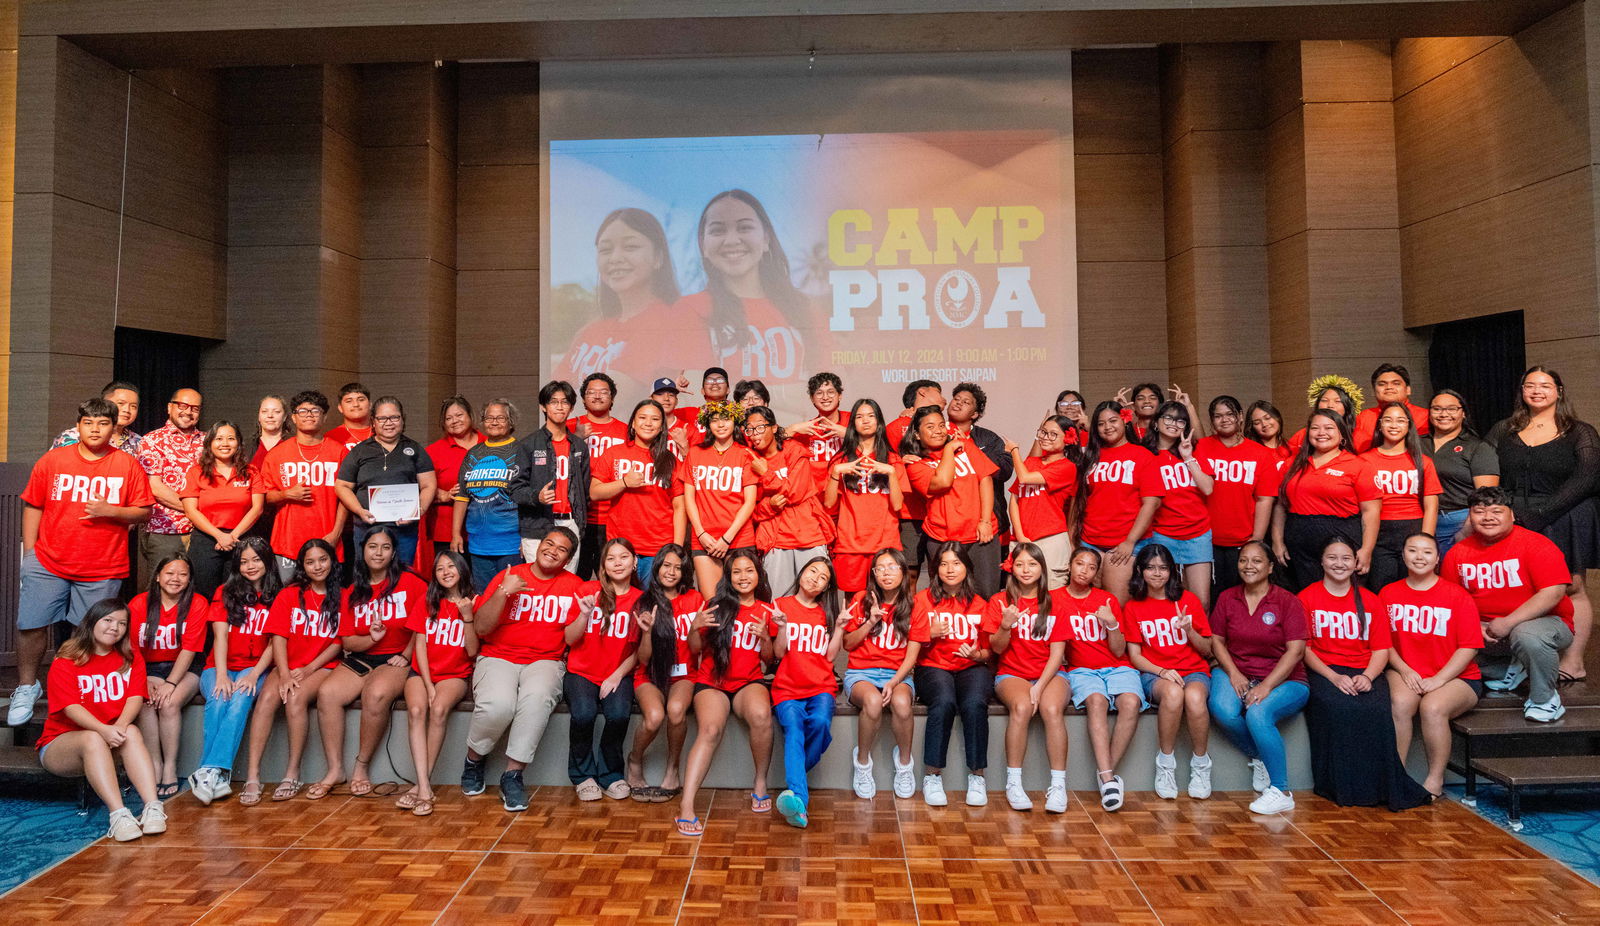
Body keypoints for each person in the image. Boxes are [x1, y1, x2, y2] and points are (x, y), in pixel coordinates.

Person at [11, 397, 154, 726]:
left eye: (103, 423)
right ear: (78, 426)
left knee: (88, 632)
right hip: (48, 560)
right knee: (31, 625)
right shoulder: (53, 461)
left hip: (101, 565)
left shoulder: (126, 465)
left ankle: (77, 694)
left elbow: (144, 511)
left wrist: (112, 512)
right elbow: (33, 504)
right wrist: (31, 553)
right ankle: (26, 687)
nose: (95, 429)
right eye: (88, 422)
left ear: (113, 429)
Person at [1485, 365, 1599, 682]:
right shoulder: (1503, 430)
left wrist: (1542, 513)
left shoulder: (1580, 431)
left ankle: (1574, 661)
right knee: (1522, 588)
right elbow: (1487, 469)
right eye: (1530, 385)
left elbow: (1587, 477)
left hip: (1567, 514)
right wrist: (1506, 511)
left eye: (1545, 385)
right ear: (1522, 391)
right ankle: (1526, 658)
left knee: (1571, 587)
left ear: (1558, 391)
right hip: (1517, 517)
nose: (1537, 390)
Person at [1299, 535, 1431, 810]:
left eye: (1346, 558)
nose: (1339, 563)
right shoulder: (1307, 597)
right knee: (1338, 706)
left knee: (1375, 709)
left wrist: (1368, 677)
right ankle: (1341, 788)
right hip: (1325, 671)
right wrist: (1333, 677)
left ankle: (1379, 788)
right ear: (1322, 562)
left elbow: (1381, 648)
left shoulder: (1370, 600)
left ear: (1356, 562)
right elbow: (1305, 649)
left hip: (1364, 669)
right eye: (1332, 558)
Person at [461, 527, 586, 812]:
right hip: (498, 655)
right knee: (498, 706)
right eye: (549, 543)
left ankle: (513, 774)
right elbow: (480, 628)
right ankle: (474, 759)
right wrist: (504, 592)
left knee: (537, 699)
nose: (552, 551)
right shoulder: (510, 575)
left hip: (545, 659)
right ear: (538, 546)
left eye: (561, 549)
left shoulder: (574, 586)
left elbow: (570, 637)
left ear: (568, 559)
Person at [1442, 486, 1575, 722]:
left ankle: (1546, 700)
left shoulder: (1536, 544)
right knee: (1437, 633)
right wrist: (1475, 626)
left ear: (1512, 515)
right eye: (1479, 511)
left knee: (1527, 635)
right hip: (1485, 631)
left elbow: (1553, 593)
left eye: (1496, 511)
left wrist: (1509, 623)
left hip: (1542, 624)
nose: (1488, 517)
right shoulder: (1458, 553)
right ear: (1470, 517)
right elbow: (1451, 601)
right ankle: (1508, 668)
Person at [37, 600, 166, 841]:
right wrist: (103, 730)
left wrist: (118, 727)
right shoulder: (68, 657)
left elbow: (135, 697)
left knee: (132, 732)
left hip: (110, 739)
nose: (114, 628)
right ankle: (118, 815)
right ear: (92, 622)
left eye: (122, 623)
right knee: (92, 738)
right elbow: (70, 708)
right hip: (61, 745)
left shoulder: (130, 656)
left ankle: (153, 807)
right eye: (108, 620)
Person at [309, 526, 422, 800]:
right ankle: (335, 769)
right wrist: (372, 638)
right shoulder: (352, 591)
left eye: (385, 547)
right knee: (327, 693)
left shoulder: (411, 583)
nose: (379, 553)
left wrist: (407, 654)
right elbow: (348, 643)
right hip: (361, 656)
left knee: (376, 693)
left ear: (394, 552)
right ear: (363, 550)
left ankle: (361, 767)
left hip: (397, 658)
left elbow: (425, 624)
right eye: (373, 546)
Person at [674, 548, 777, 837]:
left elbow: (769, 660)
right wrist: (694, 628)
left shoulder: (767, 610)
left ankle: (759, 783)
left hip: (748, 681)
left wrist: (766, 638)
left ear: (759, 574)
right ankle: (687, 805)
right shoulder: (714, 605)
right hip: (712, 682)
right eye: (737, 572)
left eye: (749, 571)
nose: (744, 577)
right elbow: (694, 649)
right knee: (709, 729)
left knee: (761, 715)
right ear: (728, 578)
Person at [1208, 542, 1310, 814]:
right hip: (1236, 669)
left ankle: (1281, 790)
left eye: (1256, 561)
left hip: (1286, 680)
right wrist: (1234, 673)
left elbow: (1296, 651)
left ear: (1270, 567)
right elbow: (1216, 642)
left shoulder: (1287, 601)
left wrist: (1266, 686)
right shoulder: (1228, 597)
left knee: (1257, 713)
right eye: (1243, 560)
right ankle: (1262, 755)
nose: (1248, 566)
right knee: (1222, 709)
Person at [1384, 533, 1485, 798]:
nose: (1419, 557)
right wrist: (1405, 670)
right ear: (1403, 555)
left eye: (1427, 552)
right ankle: (1398, 775)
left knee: (1432, 707)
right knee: (1401, 703)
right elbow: (1384, 643)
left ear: (1437, 558)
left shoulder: (1457, 595)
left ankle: (1434, 780)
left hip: (1456, 677)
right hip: (1406, 670)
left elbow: (1469, 646)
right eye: (1413, 550)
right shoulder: (1388, 593)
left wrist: (1439, 679)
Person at [245, 539, 344, 804]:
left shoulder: (342, 596)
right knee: (265, 700)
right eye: (310, 562)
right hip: (288, 664)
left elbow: (338, 642)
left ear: (332, 561)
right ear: (302, 566)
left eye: (322, 559)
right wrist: (286, 673)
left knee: (296, 698)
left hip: (321, 666)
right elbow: (278, 637)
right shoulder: (289, 595)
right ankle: (253, 776)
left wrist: (309, 668)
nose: (317, 566)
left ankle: (292, 772)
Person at [678, 189, 807, 386]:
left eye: (744, 228)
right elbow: (693, 394)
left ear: (766, 239)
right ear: (703, 245)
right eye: (718, 230)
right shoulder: (687, 310)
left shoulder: (805, 308)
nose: (731, 240)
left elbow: (829, 391)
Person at [188, 537, 279, 806]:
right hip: (218, 666)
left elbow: (276, 643)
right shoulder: (224, 592)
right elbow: (221, 638)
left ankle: (208, 771)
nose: (250, 566)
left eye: (256, 559)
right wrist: (221, 674)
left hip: (255, 667)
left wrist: (253, 675)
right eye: (244, 561)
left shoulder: (278, 595)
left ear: (267, 561)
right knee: (219, 697)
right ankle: (217, 774)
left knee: (241, 697)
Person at [557, 207, 690, 390]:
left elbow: (613, 398)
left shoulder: (668, 324)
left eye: (630, 247)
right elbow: (551, 395)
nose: (615, 258)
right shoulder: (589, 332)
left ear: (658, 257)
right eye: (605, 250)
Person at [984, 543, 1070, 813]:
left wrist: (1040, 686)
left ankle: (1058, 786)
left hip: (1049, 673)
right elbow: (996, 649)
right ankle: (1014, 783)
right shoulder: (999, 601)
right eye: (1020, 564)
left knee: (1051, 708)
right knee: (1021, 707)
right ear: (1012, 568)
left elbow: (1058, 653)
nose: (1026, 570)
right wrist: (1005, 625)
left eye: (1032, 564)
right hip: (1012, 672)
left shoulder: (1055, 601)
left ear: (1042, 569)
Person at [1123, 543, 1214, 800]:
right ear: (1140, 571)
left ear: (1171, 571)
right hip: (1155, 672)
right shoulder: (1133, 607)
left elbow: (1207, 649)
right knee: (1173, 695)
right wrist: (1162, 671)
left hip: (1193, 670)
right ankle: (1166, 764)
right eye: (1150, 567)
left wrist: (1189, 631)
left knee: (1195, 699)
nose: (1157, 573)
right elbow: (1136, 656)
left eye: (1163, 568)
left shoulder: (1187, 600)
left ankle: (1200, 764)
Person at [1057, 548, 1140, 811]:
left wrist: (1112, 624)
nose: (1084, 570)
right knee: (1096, 701)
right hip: (1081, 669)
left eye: (1091, 567)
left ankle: (1107, 774)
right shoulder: (1053, 599)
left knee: (1130, 701)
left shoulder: (1107, 600)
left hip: (1116, 666)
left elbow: (1118, 650)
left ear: (1097, 573)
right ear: (1069, 566)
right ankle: (1108, 778)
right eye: (1079, 564)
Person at [398, 551, 479, 817]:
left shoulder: (474, 603)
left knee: (440, 710)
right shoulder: (427, 600)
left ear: (462, 569)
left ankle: (421, 786)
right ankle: (423, 788)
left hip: (455, 674)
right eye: (440, 568)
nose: (445, 572)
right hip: (422, 674)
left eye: (451, 566)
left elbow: (471, 651)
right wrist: (429, 685)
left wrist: (467, 616)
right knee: (417, 711)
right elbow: (419, 645)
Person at [913, 542, 994, 807]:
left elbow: (988, 652)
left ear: (967, 568)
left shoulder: (980, 603)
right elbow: (908, 640)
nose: (950, 569)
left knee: (974, 704)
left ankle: (977, 776)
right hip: (933, 666)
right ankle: (933, 775)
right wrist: (929, 633)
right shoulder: (923, 600)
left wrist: (976, 655)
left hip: (970, 667)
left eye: (956, 563)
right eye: (944, 563)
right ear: (935, 569)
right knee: (945, 702)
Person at [841, 548, 925, 800]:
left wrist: (894, 681)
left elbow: (912, 655)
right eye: (880, 568)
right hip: (861, 672)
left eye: (892, 567)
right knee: (874, 702)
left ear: (903, 571)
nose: (886, 573)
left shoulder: (915, 605)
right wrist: (870, 622)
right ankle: (863, 763)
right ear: (873, 574)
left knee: (901, 703)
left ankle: (904, 764)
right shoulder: (861, 598)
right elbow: (848, 643)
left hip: (897, 673)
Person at [562, 539, 642, 801]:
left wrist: (617, 675)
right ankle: (583, 775)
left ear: (635, 562)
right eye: (611, 559)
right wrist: (584, 616)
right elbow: (570, 639)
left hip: (618, 672)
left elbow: (640, 651)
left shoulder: (642, 600)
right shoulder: (588, 590)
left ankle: (610, 774)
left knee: (618, 715)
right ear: (603, 566)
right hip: (581, 672)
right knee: (583, 715)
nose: (618, 563)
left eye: (624, 557)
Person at [1271, 409, 1381, 592]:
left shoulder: (1359, 465)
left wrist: (1367, 550)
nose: (1321, 433)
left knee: (1341, 594)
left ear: (1341, 434)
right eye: (1315, 428)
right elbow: (1281, 507)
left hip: (1342, 537)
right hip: (1299, 541)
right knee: (1304, 595)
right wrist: (1277, 541)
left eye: (1329, 428)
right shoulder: (1292, 464)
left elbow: (1371, 512)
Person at [127, 554, 208, 801]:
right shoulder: (139, 603)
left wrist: (170, 682)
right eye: (170, 573)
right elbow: (131, 649)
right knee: (146, 702)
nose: (176, 579)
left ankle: (171, 766)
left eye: (183, 574)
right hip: (147, 669)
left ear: (190, 579)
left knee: (169, 702)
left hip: (186, 669)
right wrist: (146, 679)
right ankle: (155, 763)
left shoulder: (197, 603)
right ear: (159, 577)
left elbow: (190, 650)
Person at [770, 557, 842, 828]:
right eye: (812, 571)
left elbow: (831, 656)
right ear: (802, 572)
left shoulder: (827, 613)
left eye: (823, 577)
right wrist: (783, 626)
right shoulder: (781, 606)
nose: (815, 578)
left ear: (826, 587)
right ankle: (800, 802)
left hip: (821, 687)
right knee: (795, 731)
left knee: (821, 724)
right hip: (787, 687)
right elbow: (777, 653)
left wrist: (842, 627)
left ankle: (794, 779)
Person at [901, 405, 1002, 596]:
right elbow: (942, 482)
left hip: (981, 535)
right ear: (916, 435)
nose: (938, 431)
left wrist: (986, 521)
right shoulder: (916, 465)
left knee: (986, 595)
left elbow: (985, 479)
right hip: (943, 538)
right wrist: (948, 450)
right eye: (930, 427)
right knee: (947, 598)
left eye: (941, 425)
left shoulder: (966, 447)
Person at [626, 545, 701, 802]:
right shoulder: (644, 602)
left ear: (685, 571)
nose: (671, 572)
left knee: (677, 710)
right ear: (657, 567)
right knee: (655, 717)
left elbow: (697, 650)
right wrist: (647, 631)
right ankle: (634, 760)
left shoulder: (695, 600)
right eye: (666, 565)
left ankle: (672, 769)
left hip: (684, 674)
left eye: (678, 567)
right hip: (650, 675)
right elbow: (643, 659)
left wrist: (695, 629)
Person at [1079, 401, 1164, 603]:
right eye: (1100, 423)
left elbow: (1151, 503)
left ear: (1125, 420)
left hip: (1124, 543)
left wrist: (1130, 542)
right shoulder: (1091, 456)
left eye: (1113, 420)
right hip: (1090, 540)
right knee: (1090, 604)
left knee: (1115, 605)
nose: (1107, 427)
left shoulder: (1142, 456)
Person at [335, 396, 436, 568]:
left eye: (394, 417)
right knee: (366, 578)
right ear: (373, 421)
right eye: (382, 418)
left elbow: (429, 484)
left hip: (404, 529)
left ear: (402, 419)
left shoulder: (415, 449)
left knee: (402, 577)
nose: (388, 423)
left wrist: (418, 510)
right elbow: (342, 486)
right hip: (367, 529)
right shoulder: (360, 451)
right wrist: (359, 510)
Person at [591, 399, 684, 582]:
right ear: (633, 423)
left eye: (655, 419)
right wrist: (624, 482)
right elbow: (595, 492)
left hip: (658, 549)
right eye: (642, 417)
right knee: (620, 606)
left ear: (661, 427)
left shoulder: (670, 460)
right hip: (621, 548)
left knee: (654, 607)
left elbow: (680, 507)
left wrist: (676, 548)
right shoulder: (614, 453)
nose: (648, 423)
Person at [745, 405, 834, 592]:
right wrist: (769, 505)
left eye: (760, 427)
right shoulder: (749, 460)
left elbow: (795, 492)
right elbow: (749, 507)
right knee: (778, 601)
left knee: (816, 597)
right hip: (775, 540)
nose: (755, 433)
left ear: (775, 428)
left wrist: (766, 473)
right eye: (750, 429)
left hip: (809, 535)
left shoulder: (794, 450)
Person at [262, 391, 348, 581]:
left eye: (315, 411)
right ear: (293, 417)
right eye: (303, 411)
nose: (309, 415)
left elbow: (347, 498)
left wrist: (336, 534)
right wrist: (286, 494)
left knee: (328, 602)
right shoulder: (277, 454)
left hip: (327, 540)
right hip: (287, 543)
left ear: (324, 416)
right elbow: (264, 497)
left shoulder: (339, 452)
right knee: (288, 598)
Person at [1196, 396, 1277, 593]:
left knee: (1240, 596)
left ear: (1240, 416)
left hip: (1243, 540)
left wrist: (1256, 539)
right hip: (1205, 539)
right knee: (1210, 598)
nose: (1224, 420)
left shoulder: (1261, 454)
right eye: (1218, 416)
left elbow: (1264, 499)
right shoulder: (1203, 447)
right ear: (1212, 421)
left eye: (1229, 414)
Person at [826, 398, 907, 595]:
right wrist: (836, 472)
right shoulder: (840, 460)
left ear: (879, 422)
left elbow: (898, 506)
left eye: (871, 416)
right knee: (853, 604)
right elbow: (829, 504)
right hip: (850, 545)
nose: (866, 420)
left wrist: (890, 473)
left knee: (887, 601)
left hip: (885, 544)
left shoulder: (892, 459)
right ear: (853, 423)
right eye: (860, 417)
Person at [678, 401, 758, 598]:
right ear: (708, 425)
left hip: (738, 538)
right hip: (704, 539)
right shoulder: (695, 453)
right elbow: (690, 498)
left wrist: (727, 538)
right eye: (714, 421)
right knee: (713, 604)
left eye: (726, 419)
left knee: (740, 603)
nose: (721, 425)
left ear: (735, 422)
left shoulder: (745, 454)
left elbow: (749, 502)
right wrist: (701, 533)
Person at [509, 381, 590, 573]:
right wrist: (537, 496)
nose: (560, 406)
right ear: (543, 406)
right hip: (538, 524)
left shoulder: (579, 446)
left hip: (570, 524)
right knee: (538, 583)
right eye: (554, 402)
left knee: (566, 584)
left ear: (571, 407)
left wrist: (580, 522)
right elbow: (514, 489)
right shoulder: (528, 445)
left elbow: (585, 489)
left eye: (565, 402)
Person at [1360, 403, 1442, 592]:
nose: (1394, 425)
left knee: (1414, 587)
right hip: (1379, 531)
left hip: (1413, 527)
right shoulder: (1365, 460)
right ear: (1380, 425)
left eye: (1400, 420)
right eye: (1388, 420)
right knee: (1381, 588)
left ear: (1408, 426)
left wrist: (1426, 540)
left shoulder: (1423, 461)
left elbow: (1431, 505)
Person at [1143, 399, 1216, 608]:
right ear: (1156, 422)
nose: (1174, 423)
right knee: (1165, 598)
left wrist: (1188, 457)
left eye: (1181, 421)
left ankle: (1199, 641)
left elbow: (1208, 488)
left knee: (1201, 601)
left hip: (1197, 533)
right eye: (1168, 418)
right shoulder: (1145, 455)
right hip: (1162, 534)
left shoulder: (1196, 450)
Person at [181, 421, 266, 597]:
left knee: (238, 594)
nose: (225, 444)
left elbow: (257, 508)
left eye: (230, 439)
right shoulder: (196, 472)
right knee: (203, 595)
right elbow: (191, 511)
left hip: (241, 539)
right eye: (219, 438)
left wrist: (232, 536)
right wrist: (219, 536)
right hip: (206, 539)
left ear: (239, 443)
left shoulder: (252, 472)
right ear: (210, 443)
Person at [452, 400, 524, 592]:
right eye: (489, 418)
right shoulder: (473, 454)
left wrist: (527, 538)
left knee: (511, 598)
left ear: (511, 421)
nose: (494, 422)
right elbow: (462, 496)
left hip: (512, 543)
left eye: (500, 418)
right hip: (478, 543)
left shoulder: (522, 451)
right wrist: (455, 534)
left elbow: (528, 497)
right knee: (483, 597)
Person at [135, 388, 206, 582]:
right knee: (161, 589)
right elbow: (154, 487)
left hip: (203, 532)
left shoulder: (208, 441)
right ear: (169, 407)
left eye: (195, 408)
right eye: (183, 406)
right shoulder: (152, 440)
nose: (188, 412)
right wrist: (195, 511)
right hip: (165, 530)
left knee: (197, 588)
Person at [1424, 389, 1498, 559]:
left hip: (1459, 521)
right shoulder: (1418, 443)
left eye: (1451, 409)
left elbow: (1487, 495)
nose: (1444, 414)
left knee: (1456, 577)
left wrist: (1466, 530)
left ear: (1463, 413)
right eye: (1437, 409)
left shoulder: (1477, 447)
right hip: (1421, 520)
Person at [1005, 416, 1079, 587]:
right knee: (1021, 595)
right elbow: (1014, 499)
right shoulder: (1031, 462)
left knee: (1052, 593)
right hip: (1021, 538)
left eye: (1053, 434)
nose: (1046, 437)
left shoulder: (1067, 467)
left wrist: (1014, 450)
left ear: (1068, 439)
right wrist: (1020, 535)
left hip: (1051, 539)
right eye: (1044, 432)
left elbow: (1024, 478)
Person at [947, 382, 1014, 567]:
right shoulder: (936, 435)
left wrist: (970, 450)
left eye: (966, 402)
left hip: (990, 522)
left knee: (989, 587)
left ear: (975, 414)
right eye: (956, 399)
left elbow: (1004, 471)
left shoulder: (988, 438)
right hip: (951, 523)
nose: (958, 403)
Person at [573, 373, 632, 580]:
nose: (597, 396)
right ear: (582, 398)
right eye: (591, 392)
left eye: (603, 392)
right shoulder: (570, 427)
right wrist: (577, 440)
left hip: (612, 517)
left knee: (610, 578)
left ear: (613, 398)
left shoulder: (626, 431)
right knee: (574, 578)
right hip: (576, 517)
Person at [887, 380, 945, 583]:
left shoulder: (947, 428)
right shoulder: (897, 426)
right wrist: (899, 462)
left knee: (941, 572)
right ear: (922, 392)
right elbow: (885, 459)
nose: (944, 399)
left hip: (942, 511)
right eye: (939, 392)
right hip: (910, 512)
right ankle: (908, 614)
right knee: (909, 571)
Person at [423, 396, 480, 567]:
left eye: (459, 415)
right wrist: (444, 495)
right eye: (449, 418)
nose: (455, 421)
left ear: (470, 415)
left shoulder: (490, 444)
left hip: (485, 530)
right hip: (445, 532)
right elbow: (420, 488)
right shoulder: (433, 452)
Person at [787, 372, 850, 492]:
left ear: (840, 395)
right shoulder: (806, 429)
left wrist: (849, 434)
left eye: (830, 392)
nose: (825, 397)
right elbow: (772, 442)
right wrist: (792, 429)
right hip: (817, 500)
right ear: (812, 398)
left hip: (849, 498)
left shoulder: (853, 420)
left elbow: (876, 442)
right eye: (819, 393)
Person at [1351, 364, 1429, 453]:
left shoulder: (1426, 416)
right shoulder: (1363, 417)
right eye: (1382, 384)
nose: (1389, 387)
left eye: (1396, 383)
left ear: (1408, 390)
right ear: (1373, 391)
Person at [53, 381, 142, 456]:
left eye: (133, 406)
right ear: (104, 403)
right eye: (121, 404)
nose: (127, 410)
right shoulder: (72, 437)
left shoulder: (140, 442)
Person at [325, 382, 373, 450]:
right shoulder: (331, 437)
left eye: (361, 400)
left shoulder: (384, 432)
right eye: (349, 401)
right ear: (340, 408)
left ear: (370, 404)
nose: (356, 404)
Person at [249, 394, 289, 469]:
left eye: (276, 412)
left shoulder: (294, 445)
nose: (270, 415)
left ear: (284, 417)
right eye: (264, 411)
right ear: (259, 416)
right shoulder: (246, 446)